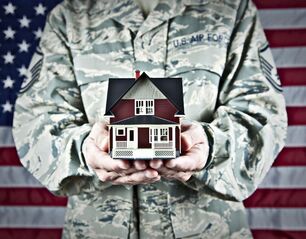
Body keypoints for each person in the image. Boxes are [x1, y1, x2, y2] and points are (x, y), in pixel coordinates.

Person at [13, 0, 287, 238]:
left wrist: (211, 147)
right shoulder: (71, 16)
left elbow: (262, 117)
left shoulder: (229, 8)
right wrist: (85, 150)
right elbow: (36, 120)